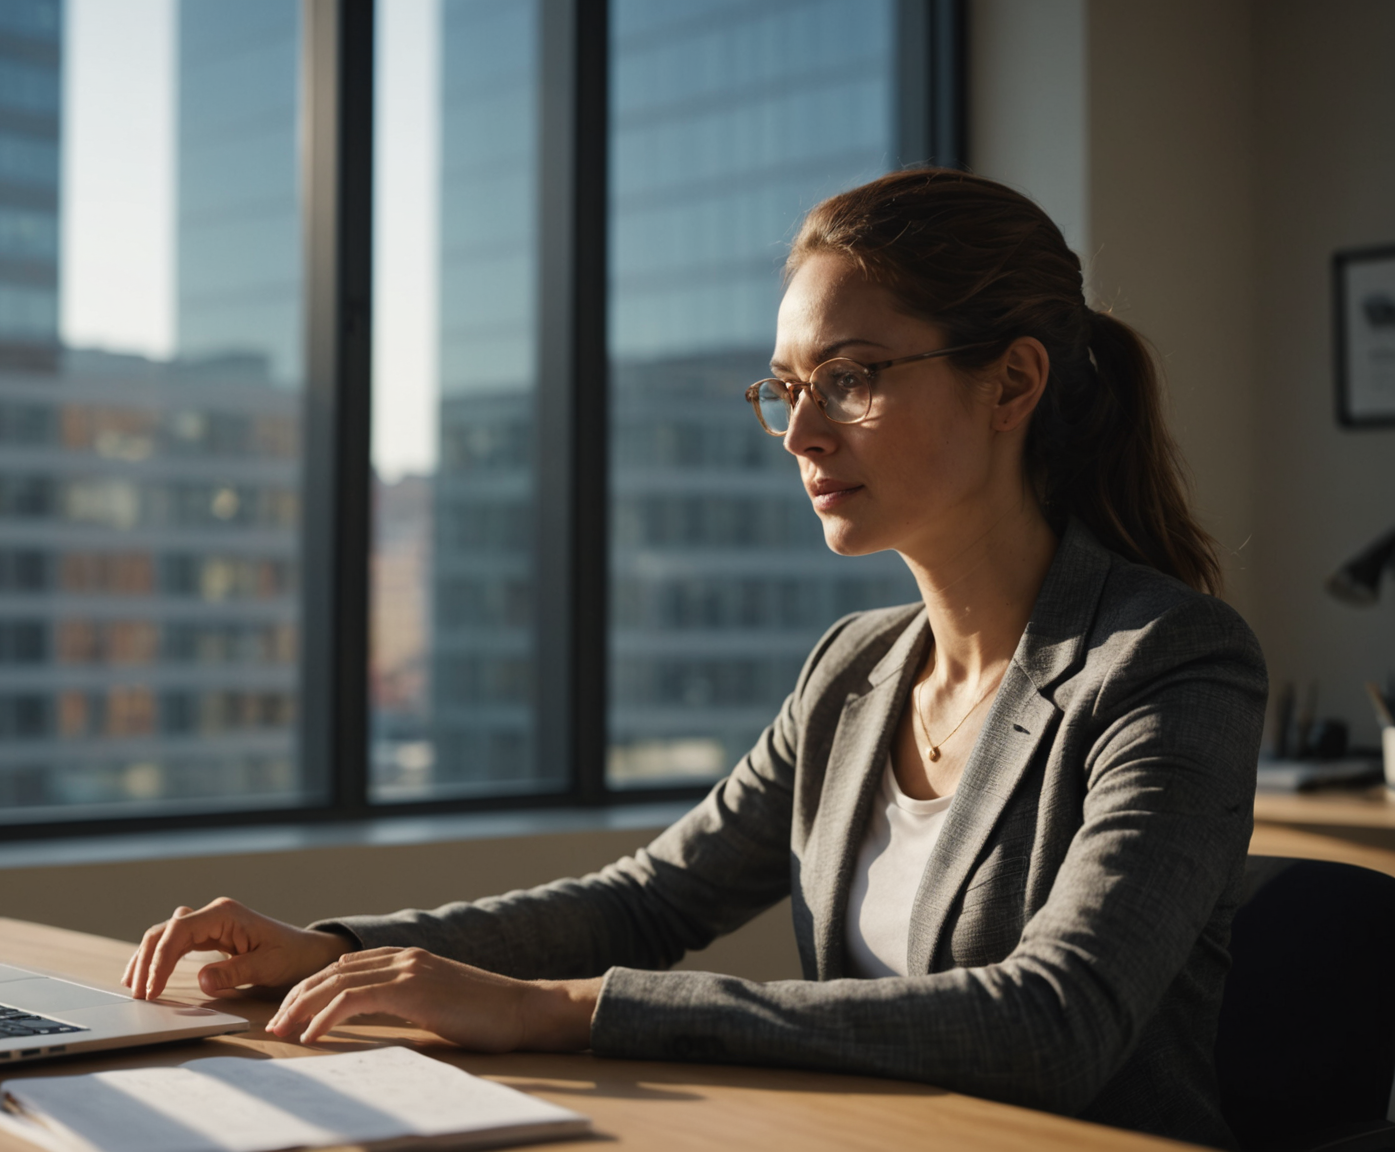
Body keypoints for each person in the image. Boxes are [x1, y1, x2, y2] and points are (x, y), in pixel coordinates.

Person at [120, 169, 1266, 1149]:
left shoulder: (1166, 664)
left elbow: (1056, 1023)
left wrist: (558, 1010)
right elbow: (648, 901)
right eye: (789, 388)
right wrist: (335, 950)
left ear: (1013, 382)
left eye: (852, 378)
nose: (802, 433)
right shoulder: (856, 669)